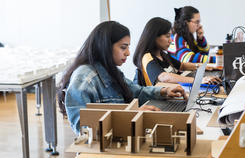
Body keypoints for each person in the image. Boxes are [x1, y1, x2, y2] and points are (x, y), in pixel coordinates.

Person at [57, 21, 187, 134]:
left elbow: (137, 91)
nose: (128, 53)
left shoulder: (110, 71)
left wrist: (163, 91)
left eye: (128, 47)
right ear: (105, 46)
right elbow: (84, 128)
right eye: (123, 47)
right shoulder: (84, 80)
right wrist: (129, 115)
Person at [133, 17, 221, 86]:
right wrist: (198, 81)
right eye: (167, 36)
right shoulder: (147, 57)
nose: (170, 41)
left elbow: (182, 65)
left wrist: (204, 66)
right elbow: (164, 77)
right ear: (154, 36)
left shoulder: (163, 54)